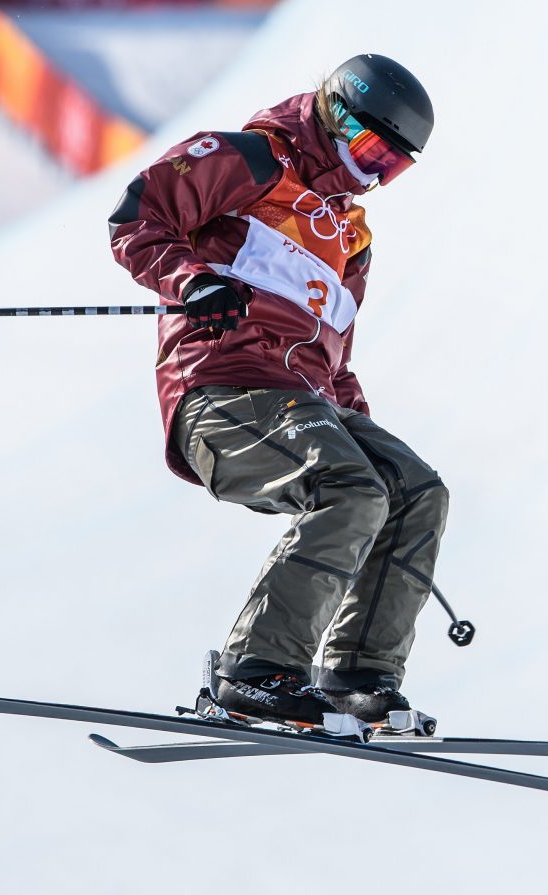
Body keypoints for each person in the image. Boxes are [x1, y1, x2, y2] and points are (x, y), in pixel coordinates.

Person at [108, 54, 447, 727]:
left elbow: (334, 360)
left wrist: (359, 430)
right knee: (351, 487)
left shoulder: (350, 240)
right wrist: (194, 282)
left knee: (414, 489)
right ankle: (254, 669)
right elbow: (137, 216)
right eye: (370, 152)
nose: (372, 176)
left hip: (299, 401)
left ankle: (358, 673)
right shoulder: (251, 160)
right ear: (337, 115)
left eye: (391, 167)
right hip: (222, 388)